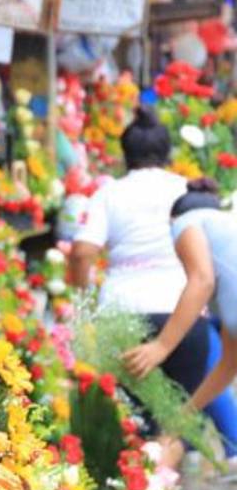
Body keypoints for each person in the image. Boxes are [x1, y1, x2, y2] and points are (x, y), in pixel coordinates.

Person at [69, 108, 237, 461]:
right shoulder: (185, 191)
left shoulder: (114, 194)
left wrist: (83, 303)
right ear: (167, 153)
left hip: (123, 316)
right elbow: (227, 362)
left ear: (125, 155)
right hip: (184, 317)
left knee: (135, 427)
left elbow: (82, 252)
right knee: (171, 430)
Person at [125, 179, 237, 423]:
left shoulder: (186, 222)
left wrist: (161, 346)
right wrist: (181, 419)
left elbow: (202, 279)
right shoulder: (228, 289)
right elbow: (229, 365)